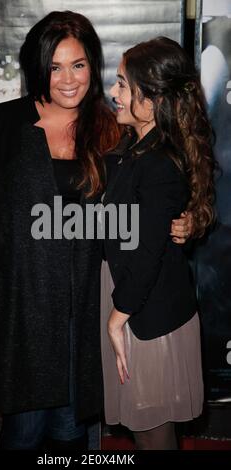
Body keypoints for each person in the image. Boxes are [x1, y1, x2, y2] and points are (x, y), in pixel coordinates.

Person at [0, 12, 190, 451]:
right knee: (23, 431)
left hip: (85, 309)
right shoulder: (1, 123)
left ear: (92, 66)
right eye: (56, 66)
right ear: (38, 67)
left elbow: (160, 184)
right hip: (19, 309)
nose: (67, 79)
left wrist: (190, 218)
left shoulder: (111, 127)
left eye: (78, 65)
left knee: (71, 433)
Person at [101, 37, 215, 450]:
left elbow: (148, 253)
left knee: (152, 429)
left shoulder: (157, 162)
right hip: (133, 299)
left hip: (145, 311)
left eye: (123, 86)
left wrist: (117, 317)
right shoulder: (133, 147)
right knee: (143, 425)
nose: (113, 93)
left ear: (150, 102)